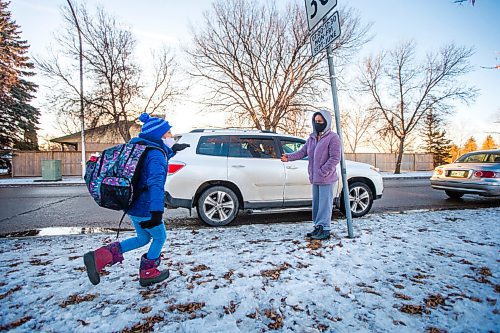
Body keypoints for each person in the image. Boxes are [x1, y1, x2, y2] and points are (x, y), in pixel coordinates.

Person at [83, 113, 189, 287]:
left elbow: (148, 164)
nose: (172, 136)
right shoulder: (156, 156)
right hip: (146, 207)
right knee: (160, 237)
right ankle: (148, 272)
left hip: (131, 204)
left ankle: (98, 257)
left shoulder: (139, 147)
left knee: (142, 238)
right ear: (160, 136)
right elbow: (155, 184)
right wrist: (156, 213)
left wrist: (172, 151)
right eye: (169, 133)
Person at [281, 110, 341, 240]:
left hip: (327, 178)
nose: (317, 123)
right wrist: (288, 157)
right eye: (316, 121)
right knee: (317, 205)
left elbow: (335, 158)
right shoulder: (312, 139)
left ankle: (325, 229)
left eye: (320, 121)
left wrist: (323, 171)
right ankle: (318, 227)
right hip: (315, 178)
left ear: (326, 122)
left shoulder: (333, 137)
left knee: (325, 205)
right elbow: (302, 152)